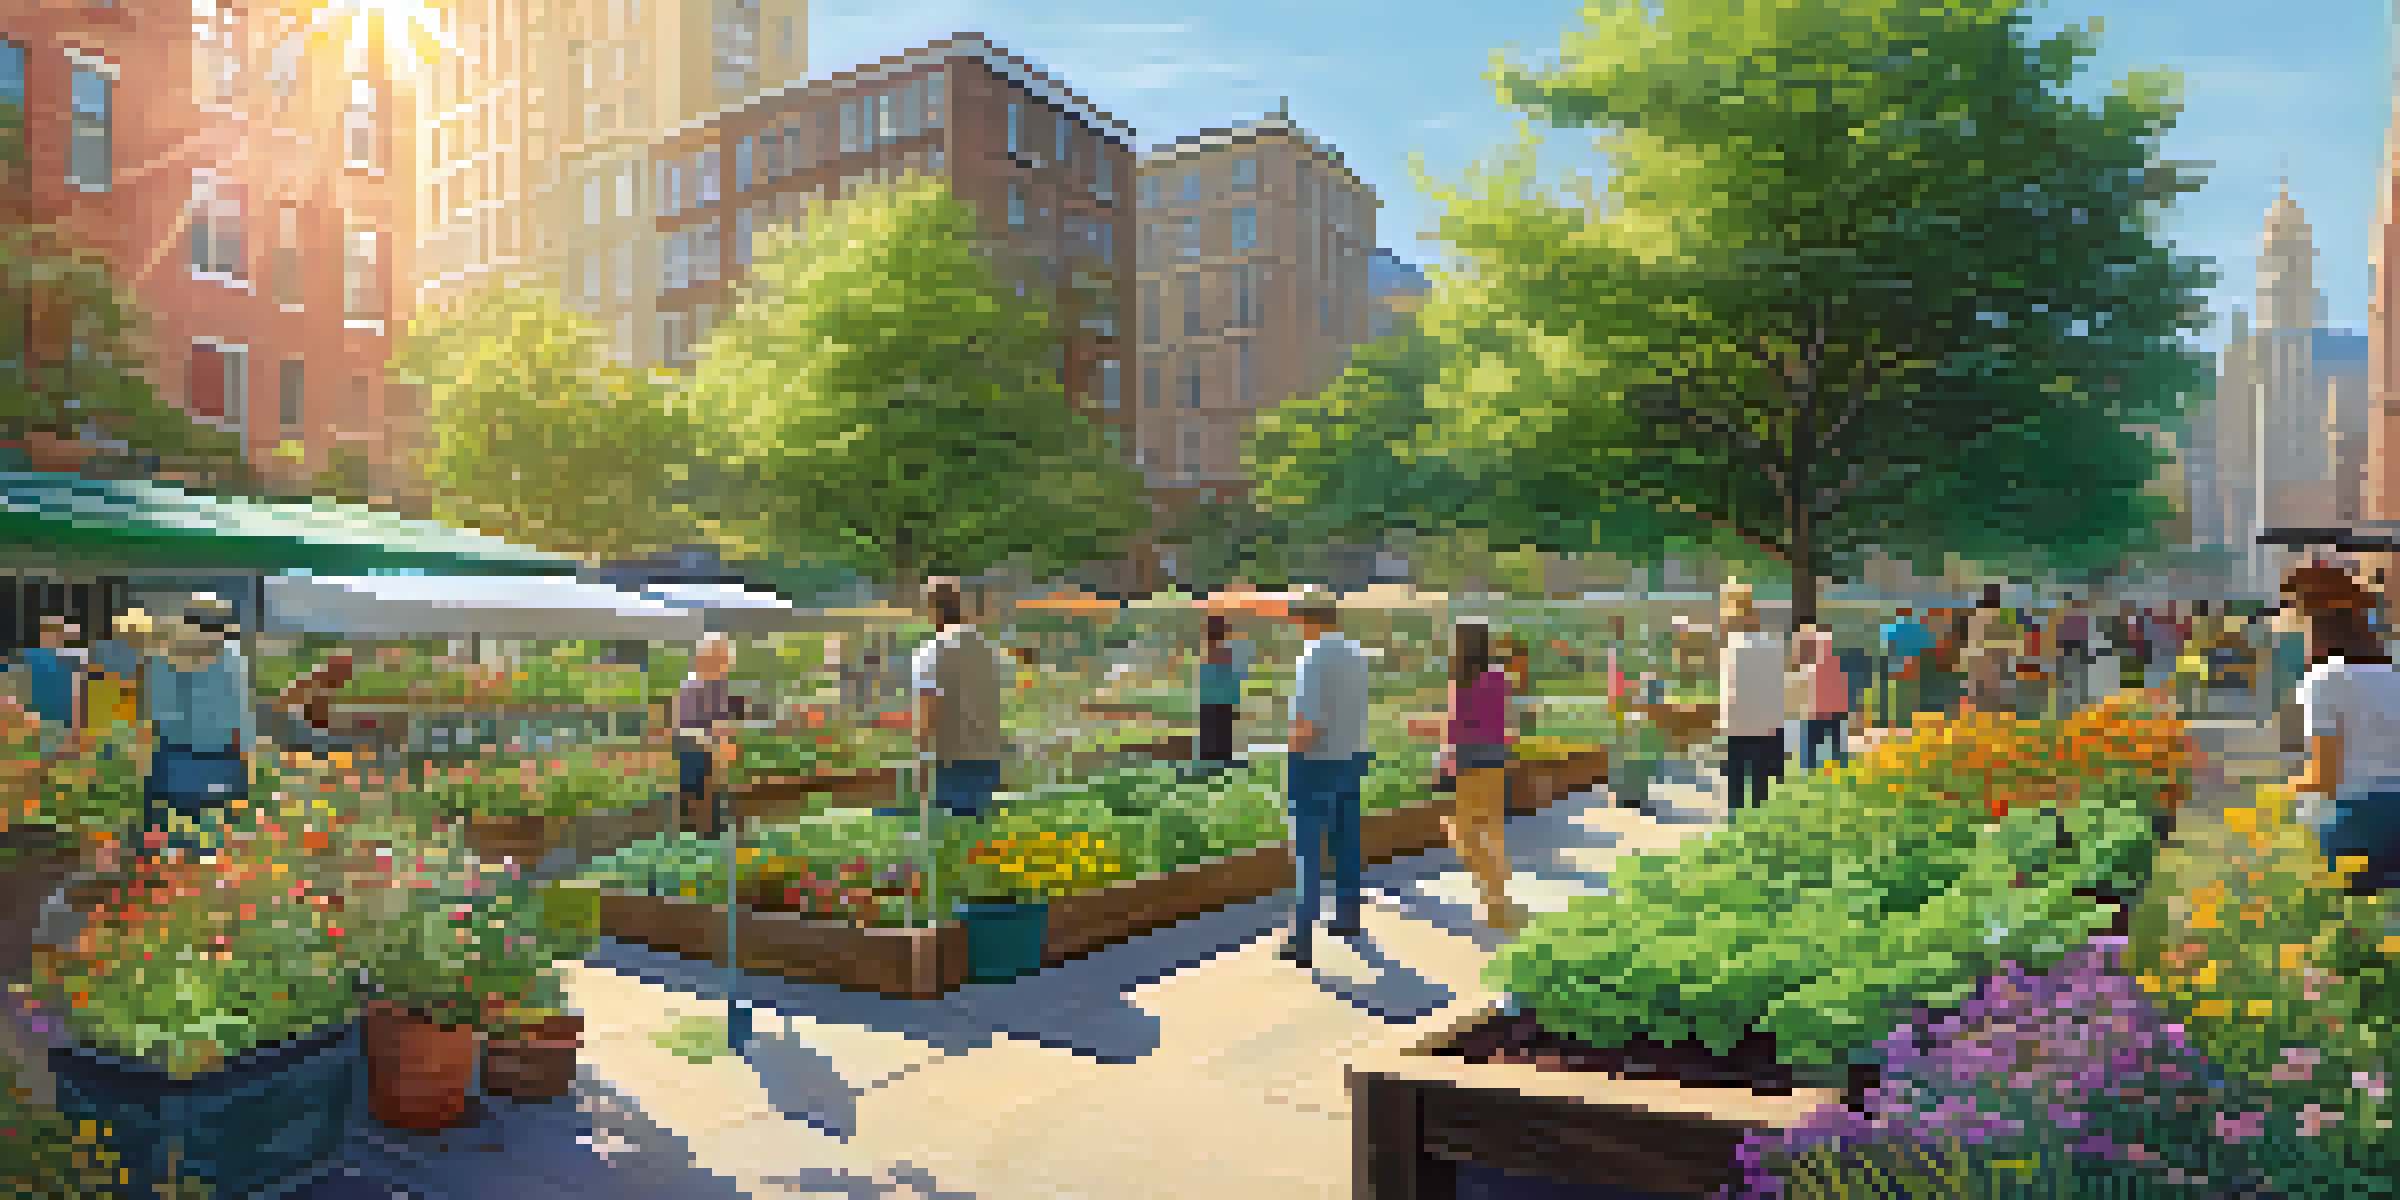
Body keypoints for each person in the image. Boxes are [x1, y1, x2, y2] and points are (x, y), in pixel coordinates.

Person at [2285, 565, 2400, 894]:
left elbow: (2325, 776)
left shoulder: (2322, 680)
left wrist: (2282, 792)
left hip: (2354, 820)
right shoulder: (2393, 675)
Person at [1279, 588, 1372, 967]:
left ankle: (1302, 938)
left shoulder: (1312, 659)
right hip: (1353, 757)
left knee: (1308, 852)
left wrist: (1289, 750)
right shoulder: (1355, 654)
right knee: (1347, 843)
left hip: (1317, 761)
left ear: (1305, 618)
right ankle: (1348, 917)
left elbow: (1307, 723)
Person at [137, 595, 256, 851]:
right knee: (210, 837)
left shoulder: (160, 657)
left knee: (166, 833)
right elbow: (240, 716)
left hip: (170, 754)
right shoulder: (230, 658)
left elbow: (151, 714)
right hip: (216, 756)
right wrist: (247, 760)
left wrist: (144, 759)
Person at [1441, 619, 1522, 933]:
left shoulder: (1461, 680)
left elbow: (1457, 727)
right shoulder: (1500, 677)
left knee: (1465, 833)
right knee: (1492, 831)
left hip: (1469, 761)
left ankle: (1494, 897)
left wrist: (1435, 738)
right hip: (1496, 760)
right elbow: (1508, 721)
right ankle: (1497, 898)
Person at [910, 578, 1008, 820]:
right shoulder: (987, 649)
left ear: (930, 609)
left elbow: (927, 716)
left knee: (948, 844)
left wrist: (920, 767)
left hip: (951, 764)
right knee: (978, 845)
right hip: (989, 759)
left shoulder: (933, 652)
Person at [1717, 583, 1785, 822]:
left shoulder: (1732, 647)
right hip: (1763, 725)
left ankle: (1736, 824)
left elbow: (1728, 692)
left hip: (1739, 724)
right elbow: (1777, 689)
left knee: (1737, 782)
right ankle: (1756, 826)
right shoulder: (1772, 645)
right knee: (1759, 784)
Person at [674, 634, 739, 836]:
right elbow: (686, 728)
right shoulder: (693, 685)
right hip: (695, 752)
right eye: (721, 659)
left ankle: (714, 829)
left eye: (726, 660)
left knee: (715, 795)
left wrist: (726, 738)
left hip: (711, 755)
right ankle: (700, 831)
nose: (725, 665)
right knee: (699, 792)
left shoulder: (718, 687)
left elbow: (724, 721)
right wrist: (716, 740)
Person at [16, 616, 89, 750]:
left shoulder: (71, 659)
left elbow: (77, 691)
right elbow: (19, 690)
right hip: (37, 721)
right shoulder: (30, 657)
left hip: (62, 722)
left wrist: (77, 724)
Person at [1196, 613, 1253, 768]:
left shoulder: (1208, 650)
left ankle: (1211, 759)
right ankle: (1221, 759)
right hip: (1223, 699)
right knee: (1223, 731)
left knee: (1212, 732)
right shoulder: (1227, 651)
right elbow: (1238, 675)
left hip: (1209, 699)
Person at [1798, 627, 1850, 771]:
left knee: (1816, 747)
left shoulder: (1813, 665)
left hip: (1822, 711)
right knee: (1832, 746)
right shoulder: (1832, 662)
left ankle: (1811, 768)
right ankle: (1829, 767)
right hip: (1828, 711)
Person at [1879, 607, 1934, 728]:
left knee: (1898, 695)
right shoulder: (1918, 628)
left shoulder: (1891, 628)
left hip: (1898, 668)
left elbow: (1885, 648)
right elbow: (1927, 647)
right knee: (1909, 695)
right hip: (1911, 668)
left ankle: (1896, 723)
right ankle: (1904, 723)